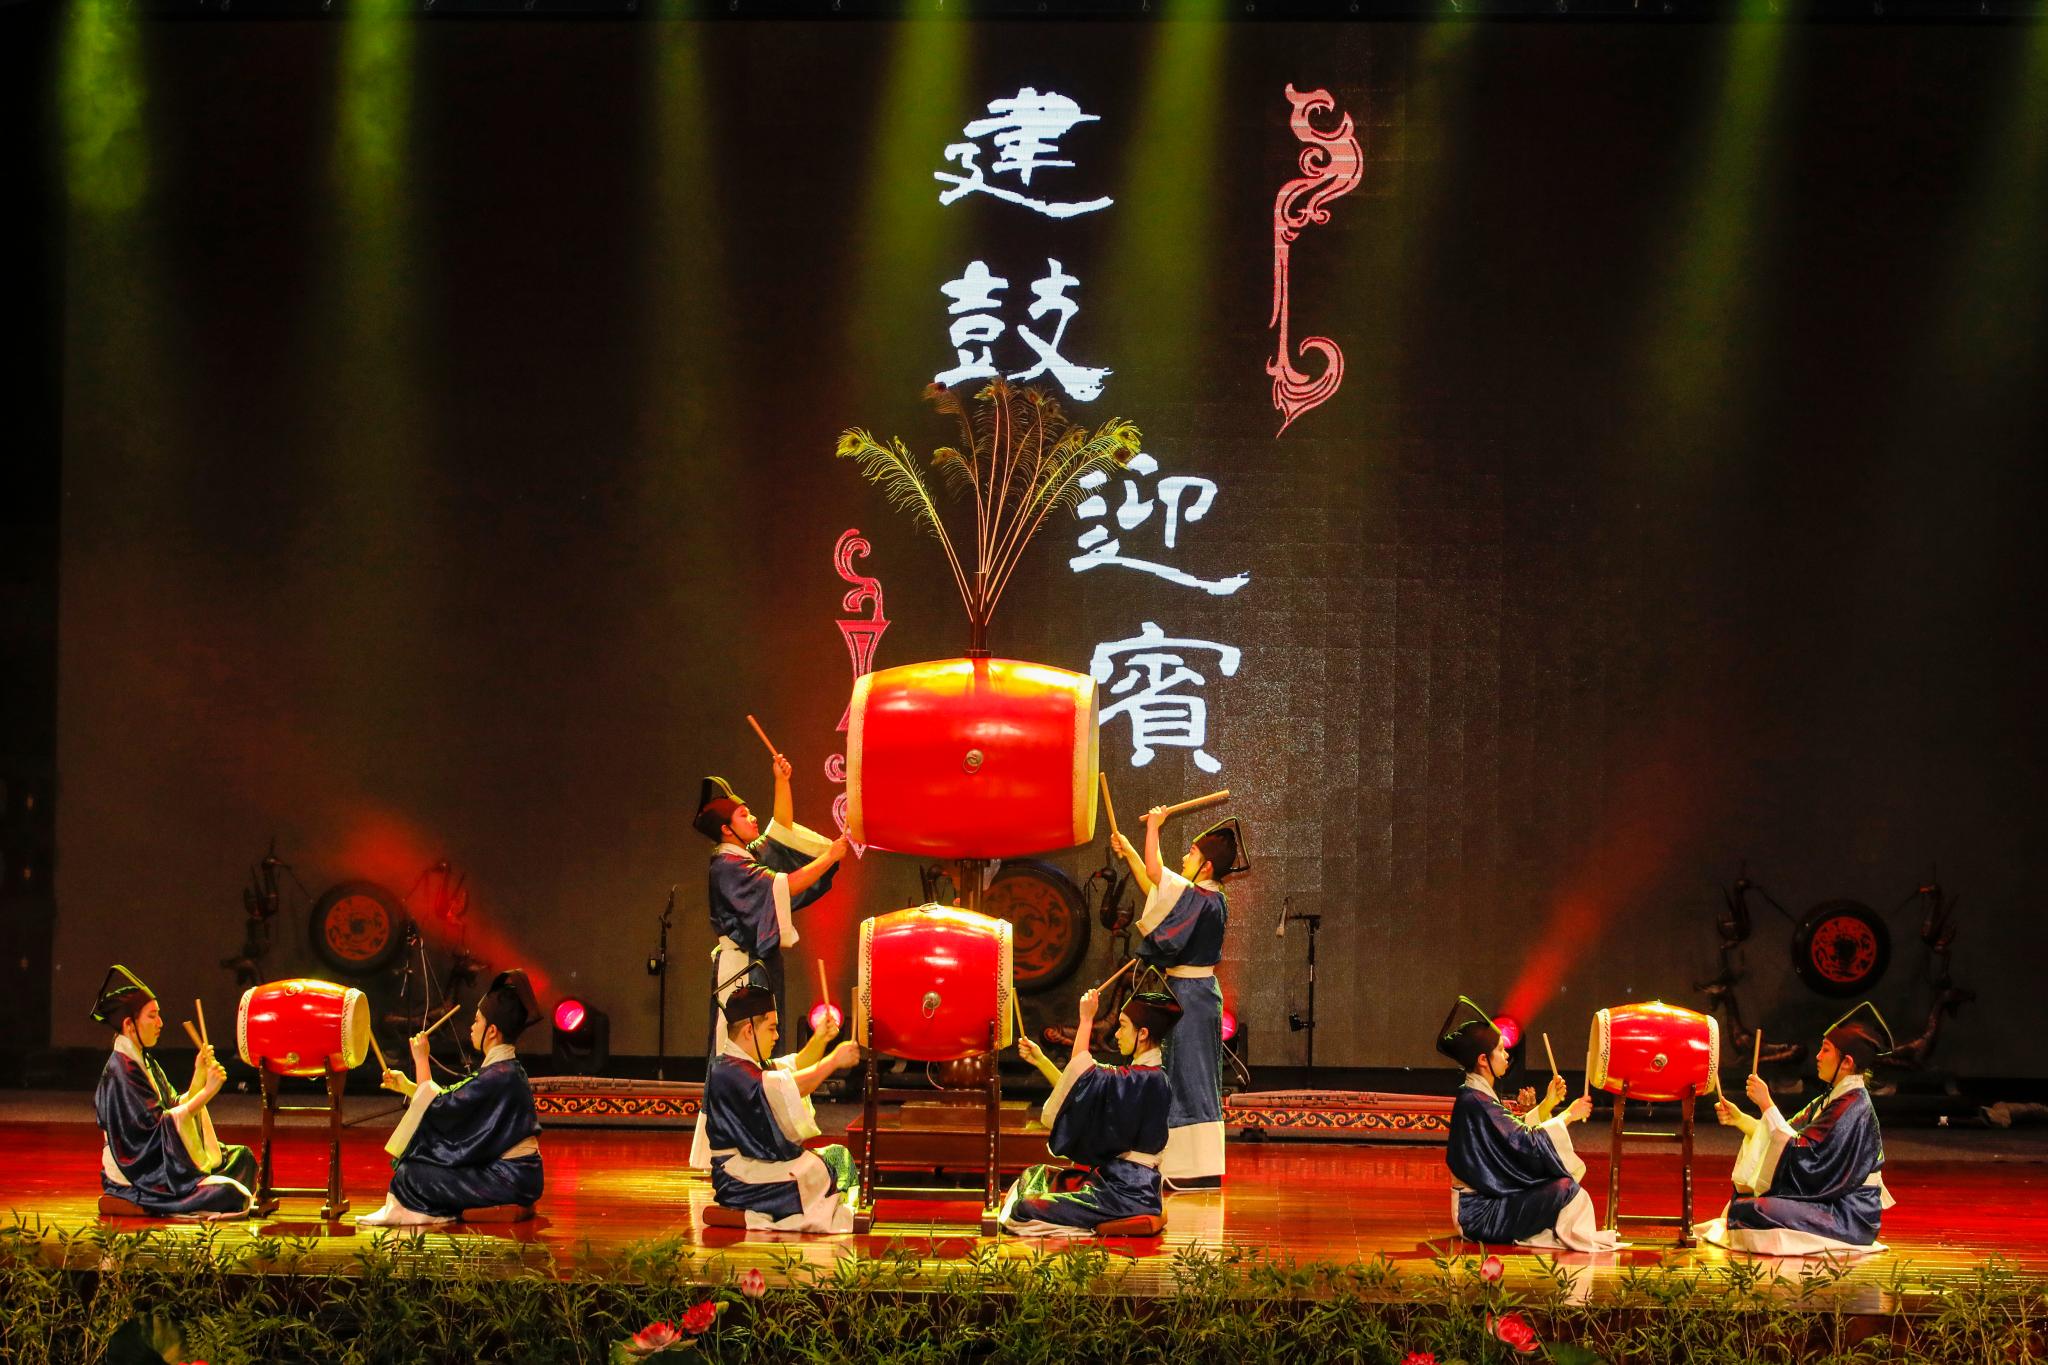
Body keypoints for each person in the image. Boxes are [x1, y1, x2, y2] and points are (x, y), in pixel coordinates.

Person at [1108, 810, 1244, 1191]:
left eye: (1192, 853)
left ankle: (1194, 1168)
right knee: (1180, 1073)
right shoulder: (1203, 898)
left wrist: (1154, 825)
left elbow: (1157, 873)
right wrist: (1131, 851)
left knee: (1190, 1077)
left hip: (1193, 998)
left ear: (1206, 866)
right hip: (1192, 994)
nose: (1185, 857)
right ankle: (1184, 1164)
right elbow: (1158, 887)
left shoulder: (1203, 900)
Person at [1698, 1002, 1895, 1256]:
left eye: (1825, 1050)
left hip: (1848, 1213)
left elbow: (1805, 1158)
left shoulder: (1854, 1106)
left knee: (1753, 1211)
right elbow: (1786, 1136)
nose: (1818, 1056)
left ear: (1846, 1062)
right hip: (1830, 1200)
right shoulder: (1833, 1099)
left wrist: (1767, 1104)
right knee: (1742, 1206)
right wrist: (1741, 1119)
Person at [358, 970, 546, 1227]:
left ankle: (418, 1212)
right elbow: (453, 1100)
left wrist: (421, 1059)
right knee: (413, 1168)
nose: (472, 1027)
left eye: (477, 1021)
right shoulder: (506, 1071)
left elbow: (442, 1109)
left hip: (507, 1179)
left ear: (492, 1031)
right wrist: (409, 1087)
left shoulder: (500, 1075)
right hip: (516, 1176)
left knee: (411, 1173)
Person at [1440, 995, 1620, 1251]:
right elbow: (1522, 1141)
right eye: (1500, 1050)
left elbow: (1511, 1135)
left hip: (1489, 1202)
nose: (1506, 1055)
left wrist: (1548, 1103)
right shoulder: (1475, 1100)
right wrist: (1569, 1114)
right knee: (1565, 1189)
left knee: (1562, 1187)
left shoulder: (1476, 1095)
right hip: (1478, 1213)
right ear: (1482, 1060)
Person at [696, 757, 848, 1048]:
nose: (753, 818)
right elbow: (784, 886)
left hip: (759, 963)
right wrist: (830, 856)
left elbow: (780, 832)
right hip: (741, 968)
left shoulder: (744, 856)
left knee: (766, 1041)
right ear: (727, 829)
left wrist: (781, 780)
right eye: (744, 815)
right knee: (745, 1046)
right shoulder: (727, 866)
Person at [1001, 987, 1178, 1236]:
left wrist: (1086, 1020)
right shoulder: (1139, 1077)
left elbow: (1083, 1076)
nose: (1117, 1034)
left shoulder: (1146, 1079)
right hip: (1115, 1182)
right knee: (1036, 1175)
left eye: (1123, 1027)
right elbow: (1080, 1093)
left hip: (1127, 1193)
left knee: (1026, 1208)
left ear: (1143, 1033)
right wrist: (1042, 1061)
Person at [91, 965, 256, 1218]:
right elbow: (155, 1131)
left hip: (162, 1161)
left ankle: (195, 1194)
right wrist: (206, 1093)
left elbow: (172, 1106)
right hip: (139, 1175)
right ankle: (134, 1201)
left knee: (243, 1158)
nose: (160, 1023)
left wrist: (199, 1075)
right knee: (228, 1192)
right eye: (152, 1016)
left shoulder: (144, 1061)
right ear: (129, 1025)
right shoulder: (120, 1072)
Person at [700, 984, 864, 1232]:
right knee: (824, 1169)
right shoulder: (727, 1070)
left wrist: (820, 1038)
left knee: (837, 1157)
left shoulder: (746, 1064)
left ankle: (832, 1207)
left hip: (754, 1168)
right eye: (771, 1028)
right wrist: (833, 1061)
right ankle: (820, 1211)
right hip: (739, 1178)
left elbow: (795, 1066)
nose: (776, 1036)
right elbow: (788, 1086)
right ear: (749, 1031)